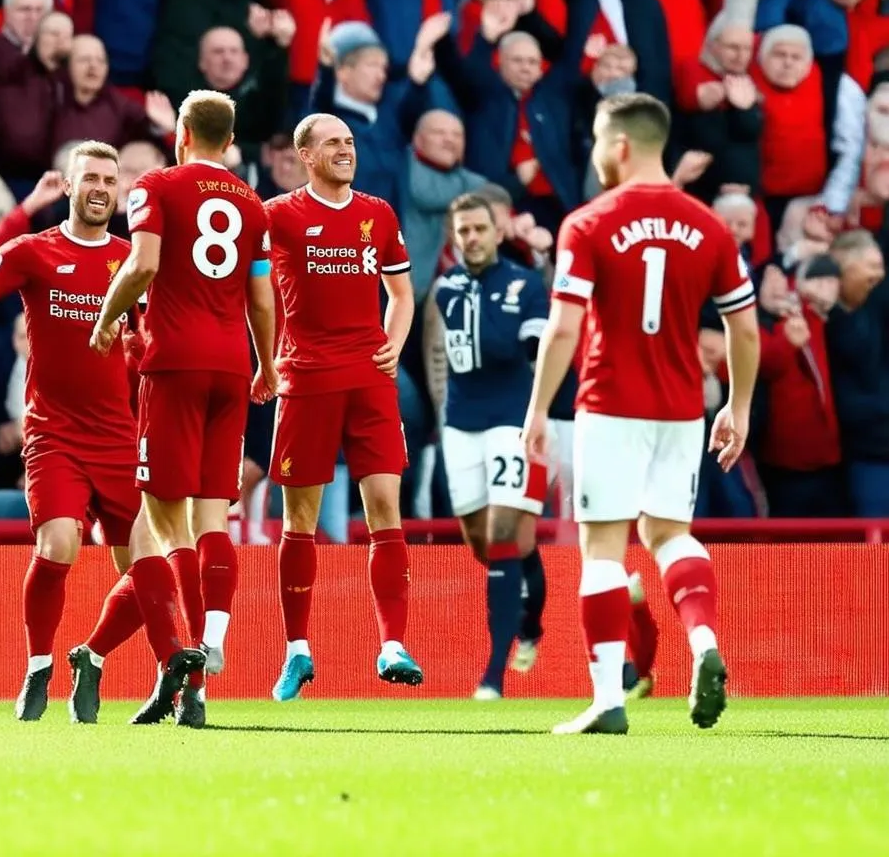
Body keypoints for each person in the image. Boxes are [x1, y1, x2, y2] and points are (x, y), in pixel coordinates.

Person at [0, 140, 205, 725]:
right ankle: (38, 665)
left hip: (120, 436)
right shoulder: (35, 252)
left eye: (111, 178)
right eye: (91, 178)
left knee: (144, 565)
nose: (102, 187)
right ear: (70, 187)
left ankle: (162, 673)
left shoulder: (136, 261)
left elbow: (165, 337)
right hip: (54, 433)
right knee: (60, 546)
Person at [521, 93, 760, 735]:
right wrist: (736, 406)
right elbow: (745, 329)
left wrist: (538, 408)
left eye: (599, 142)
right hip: (681, 410)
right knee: (669, 534)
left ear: (620, 146)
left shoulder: (590, 223)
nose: (596, 154)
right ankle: (704, 644)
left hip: (608, 405)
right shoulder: (709, 226)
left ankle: (607, 700)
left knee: (603, 550)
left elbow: (564, 329)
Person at [90, 90, 276, 730]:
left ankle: (191, 658)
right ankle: (205, 659)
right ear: (229, 140)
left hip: (172, 364)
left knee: (163, 527)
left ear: (181, 132)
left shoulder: (157, 185)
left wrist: (109, 317)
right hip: (232, 367)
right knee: (210, 518)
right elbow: (261, 296)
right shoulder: (253, 204)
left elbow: (142, 265)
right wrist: (269, 363)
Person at [265, 111, 422, 702]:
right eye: (333, 143)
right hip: (304, 378)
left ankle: (392, 644)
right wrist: (266, 354)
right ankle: (297, 651)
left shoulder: (377, 214)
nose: (345, 149)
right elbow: (252, 284)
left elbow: (402, 294)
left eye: (350, 142)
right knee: (300, 519)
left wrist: (393, 347)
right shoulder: (279, 216)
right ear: (306, 155)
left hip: (370, 379)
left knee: (385, 505)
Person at [432, 192, 549, 700]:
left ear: (499, 231)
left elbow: (536, 352)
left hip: (511, 419)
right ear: (454, 237)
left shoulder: (524, 285)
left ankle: (493, 675)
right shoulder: (444, 289)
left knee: (503, 533)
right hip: (460, 422)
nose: (472, 238)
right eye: (464, 231)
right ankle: (530, 615)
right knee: (483, 542)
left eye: (480, 228)